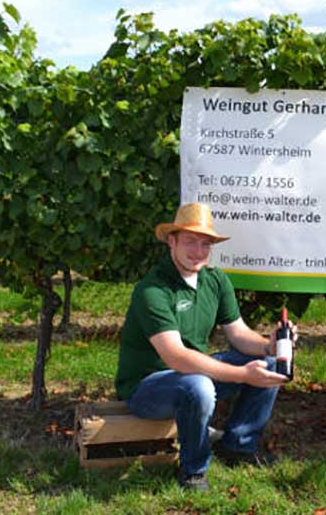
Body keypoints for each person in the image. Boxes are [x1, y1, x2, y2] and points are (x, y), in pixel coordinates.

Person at [115, 203, 292, 491]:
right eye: (190, 242)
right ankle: (193, 470)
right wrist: (243, 375)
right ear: (171, 241)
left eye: (205, 244)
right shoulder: (153, 290)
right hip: (147, 387)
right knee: (199, 386)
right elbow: (176, 357)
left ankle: (237, 446)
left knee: (269, 365)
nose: (198, 252)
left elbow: (239, 335)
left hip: (192, 372)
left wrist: (271, 346)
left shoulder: (215, 280)